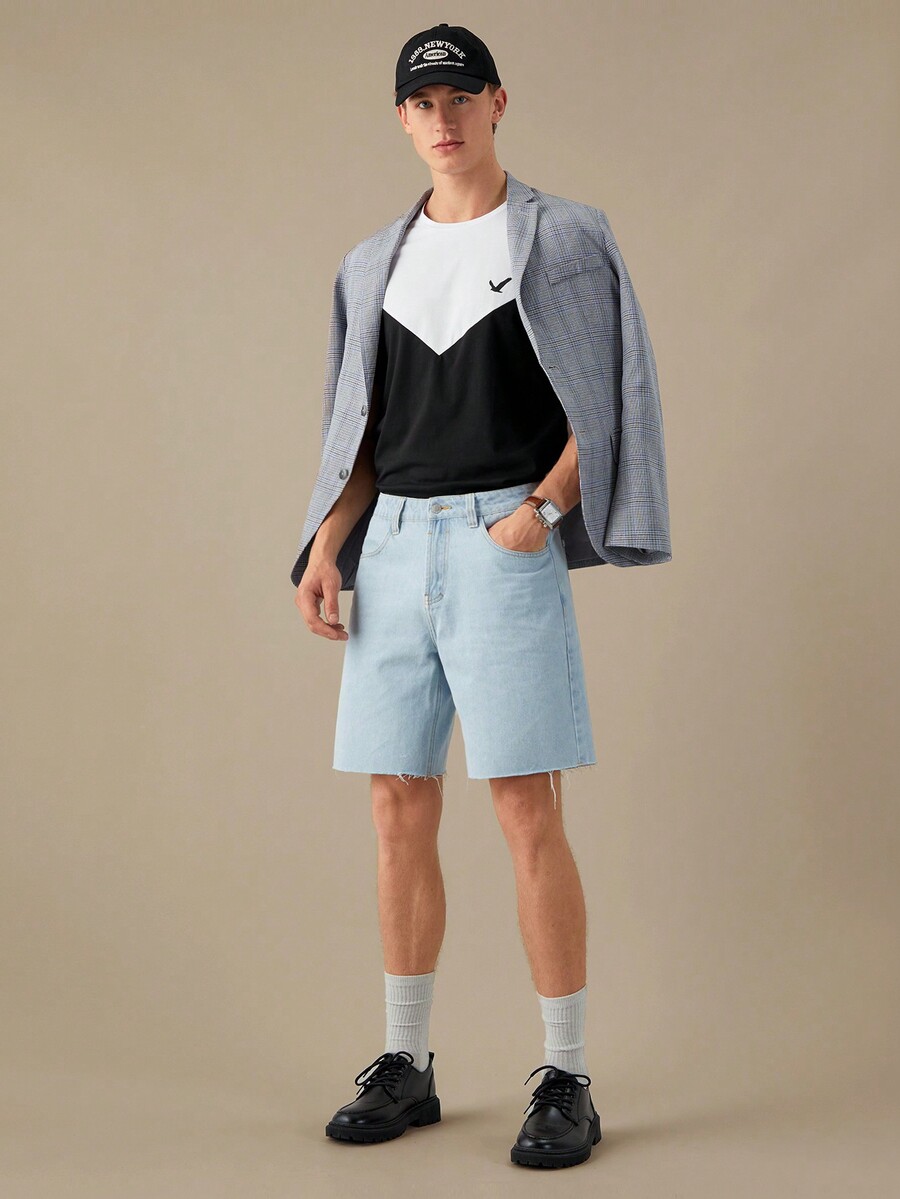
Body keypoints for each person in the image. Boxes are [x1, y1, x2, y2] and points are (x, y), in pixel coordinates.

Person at [293, 22, 671, 1169]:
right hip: (392, 546)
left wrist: (541, 512)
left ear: (498, 102)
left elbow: (608, 398)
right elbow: (358, 429)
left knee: (524, 808)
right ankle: (406, 1060)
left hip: (504, 540)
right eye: (422, 102)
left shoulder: (564, 236)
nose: (442, 117)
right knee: (395, 808)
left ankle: (566, 1075)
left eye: (461, 95)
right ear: (402, 120)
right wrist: (327, 543)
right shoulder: (372, 263)